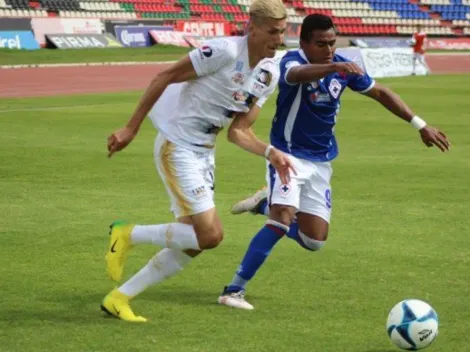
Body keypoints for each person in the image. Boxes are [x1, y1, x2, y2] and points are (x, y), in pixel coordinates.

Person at [217, 14, 450, 310]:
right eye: (320, 44)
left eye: (331, 43)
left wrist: (420, 125)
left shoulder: (341, 66)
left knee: (315, 240)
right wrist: (334, 66)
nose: (328, 49)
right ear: (304, 43)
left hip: (321, 161)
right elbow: (299, 75)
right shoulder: (290, 62)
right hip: (287, 155)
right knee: (281, 220)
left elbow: (380, 92)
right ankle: (233, 290)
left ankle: (264, 203)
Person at [101, 0, 294, 323]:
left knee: (192, 241)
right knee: (210, 236)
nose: (279, 39)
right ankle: (127, 234)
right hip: (177, 144)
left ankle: (119, 298)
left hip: (205, 151)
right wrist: (131, 127)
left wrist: (270, 152)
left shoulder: (268, 73)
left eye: (282, 31)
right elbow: (164, 76)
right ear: (252, 28)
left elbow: (239, 132)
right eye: (273, 32)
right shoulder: (224, 52)